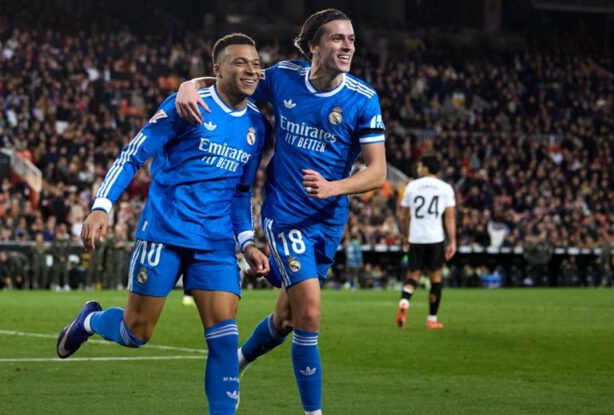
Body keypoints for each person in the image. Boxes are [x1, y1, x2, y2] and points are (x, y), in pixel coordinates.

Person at [176, 9, 387, 415]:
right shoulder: (284, 77)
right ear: (313, 46)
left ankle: (238, 362)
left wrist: (334, 187)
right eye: (337, 38)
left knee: (286, 319)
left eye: (351, 39)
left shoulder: (363, 99)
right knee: (310, 312)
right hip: (286, 215)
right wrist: (190, 85)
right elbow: (232, 81)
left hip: (329, 220)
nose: (348, 46)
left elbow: (377, 172)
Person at [57, 33, 270, 415]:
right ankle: (90, 321)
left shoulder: (257, 124)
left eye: (256, 63)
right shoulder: (187, 105)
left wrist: (246, 242)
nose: (251, 70)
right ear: (217, 69)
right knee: (135, 333)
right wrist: (102, 206)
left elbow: (242, 192)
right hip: (165, 232)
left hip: (216, 242)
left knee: (225, 339)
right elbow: (133, 155)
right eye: (240, 62)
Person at [396, 154, 456, 330]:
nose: (418, 169)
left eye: (420, 166)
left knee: (413, 276)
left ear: (427, 168)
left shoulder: (412, 186)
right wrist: (453, 241)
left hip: (416, 238)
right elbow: (450, 218)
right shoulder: (445, 188)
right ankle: (432, 319)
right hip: (435, 238)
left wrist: (405, 234)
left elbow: (403, 215)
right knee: (435, 278)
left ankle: (405, 300)